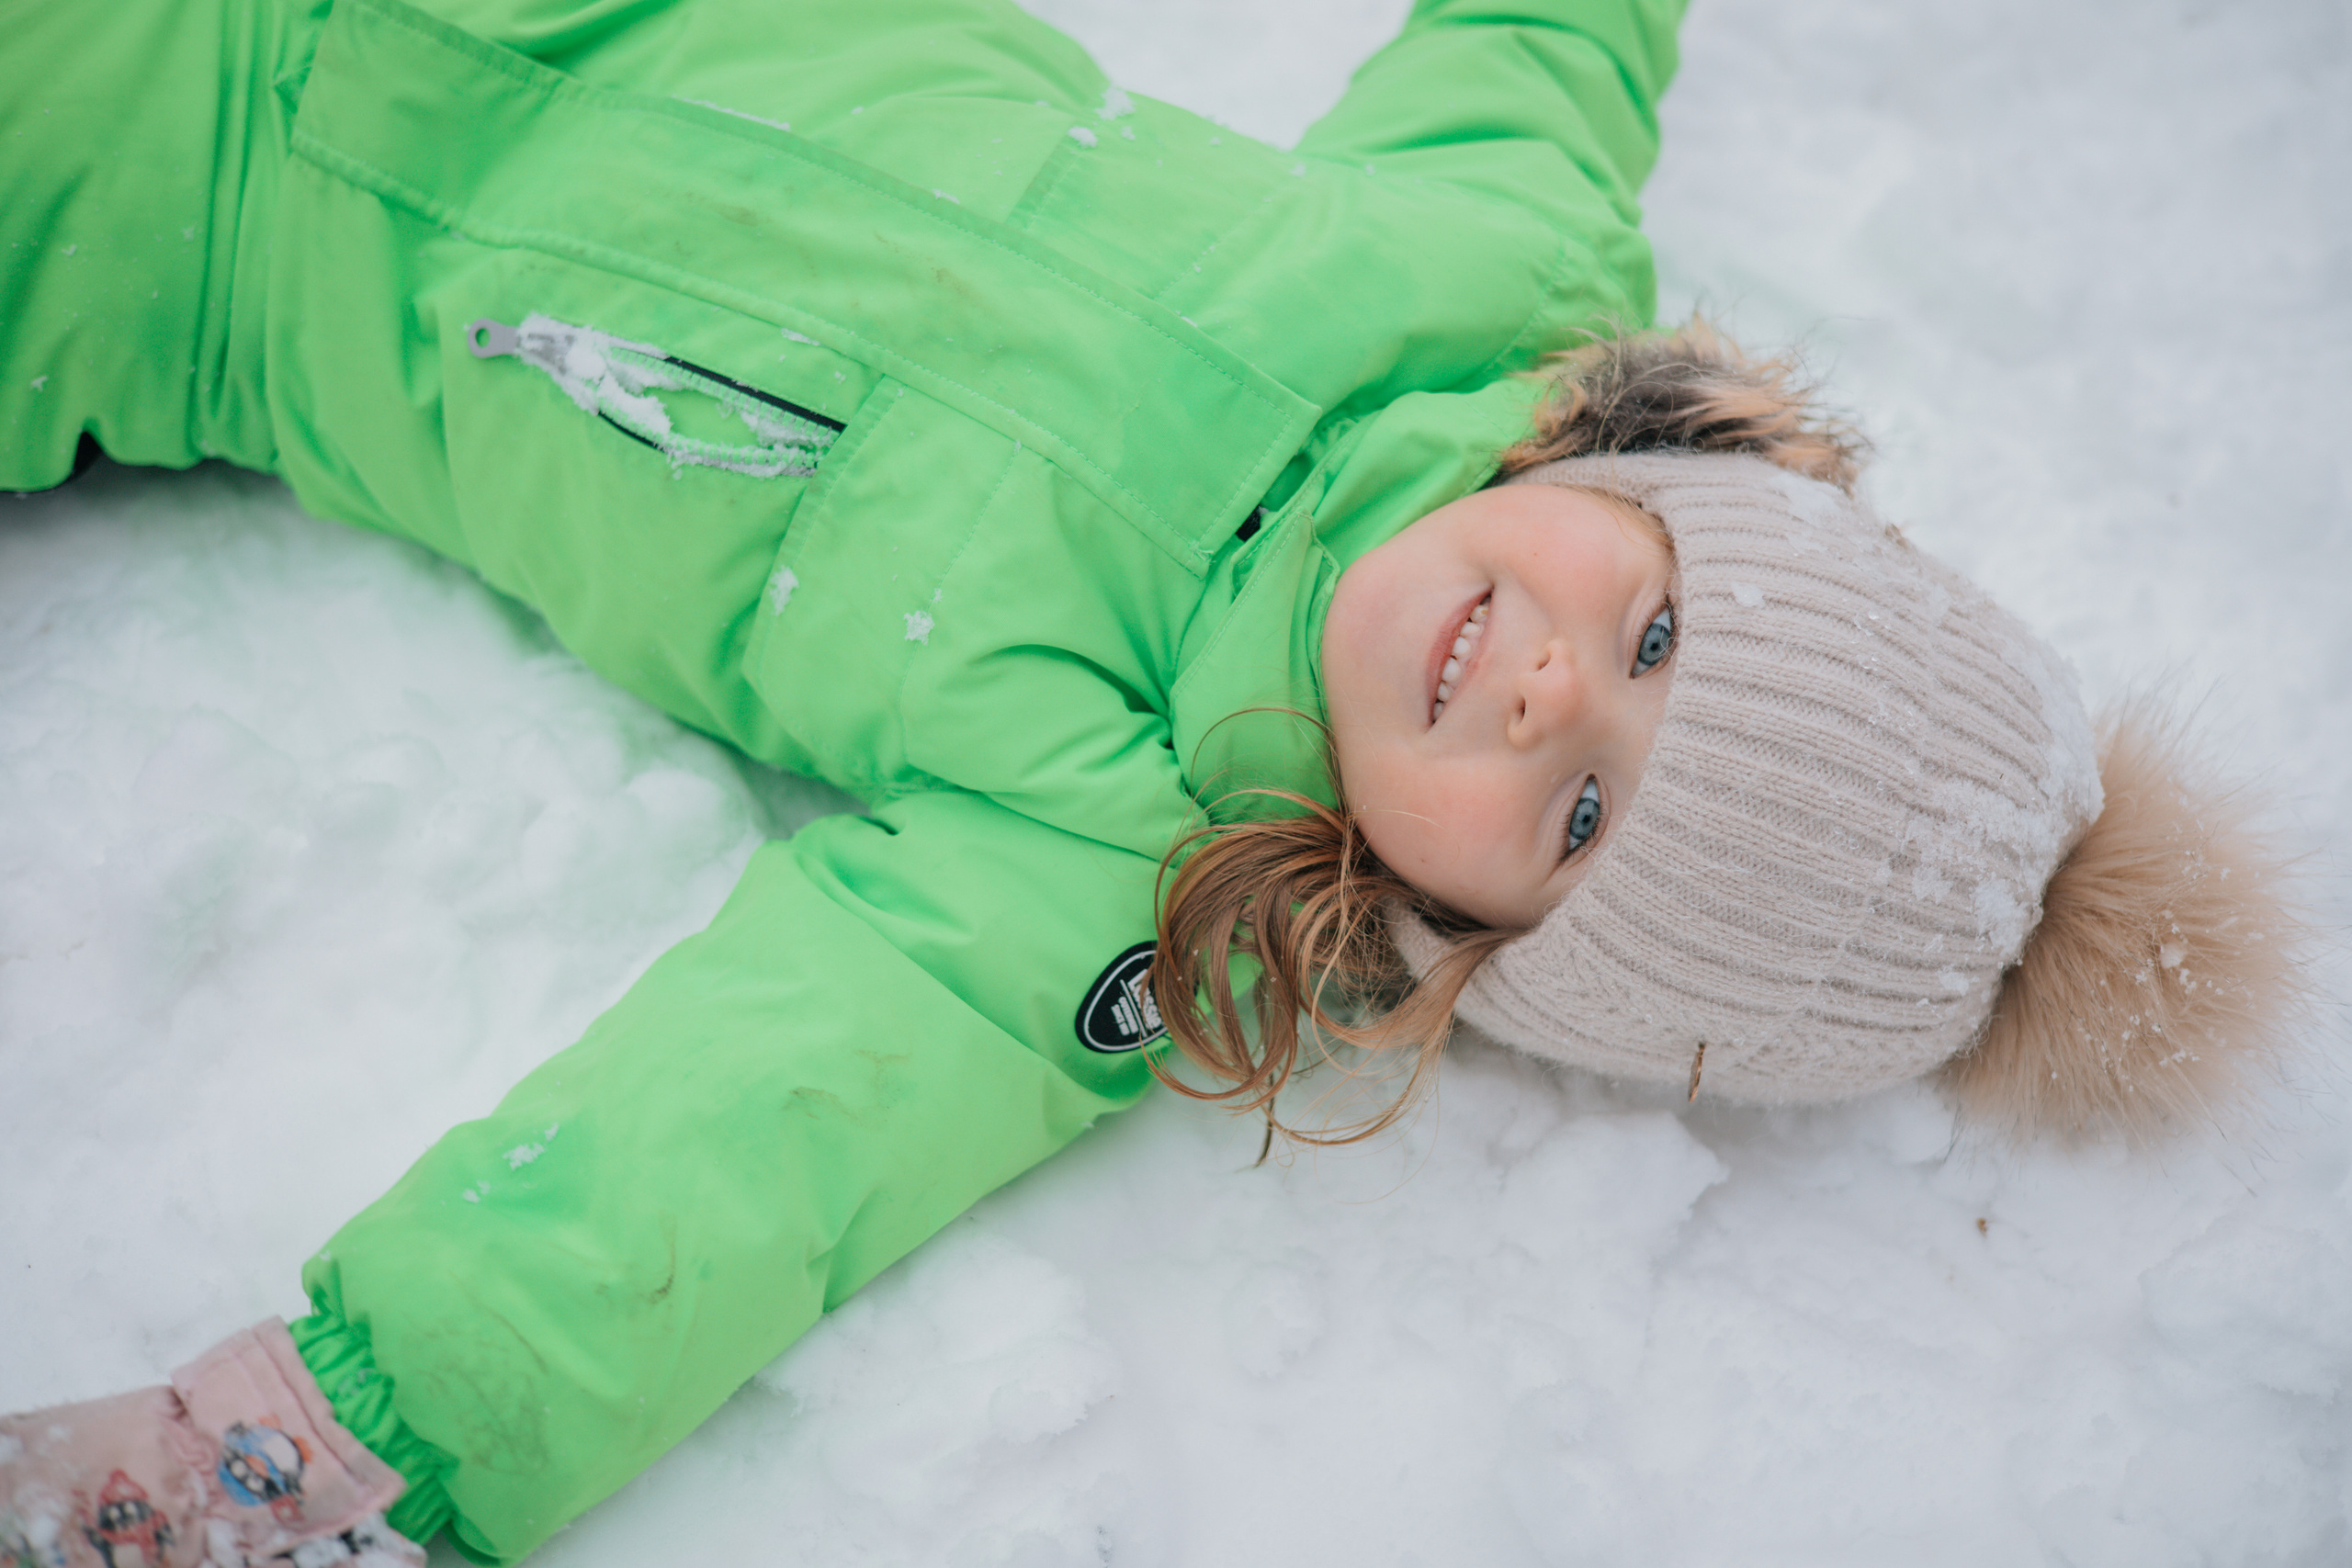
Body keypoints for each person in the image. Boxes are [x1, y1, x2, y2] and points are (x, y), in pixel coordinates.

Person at [0, 0, 2305, 1562]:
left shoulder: (1127, 849)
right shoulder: (1485, 263)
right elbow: (1543, 41)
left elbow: (766, 1118)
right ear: (1673, 489)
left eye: (1586, 812)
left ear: (1472, 950)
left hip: (186, 224)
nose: (1542, 693)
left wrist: (329, 1444)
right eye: (1661, 629)